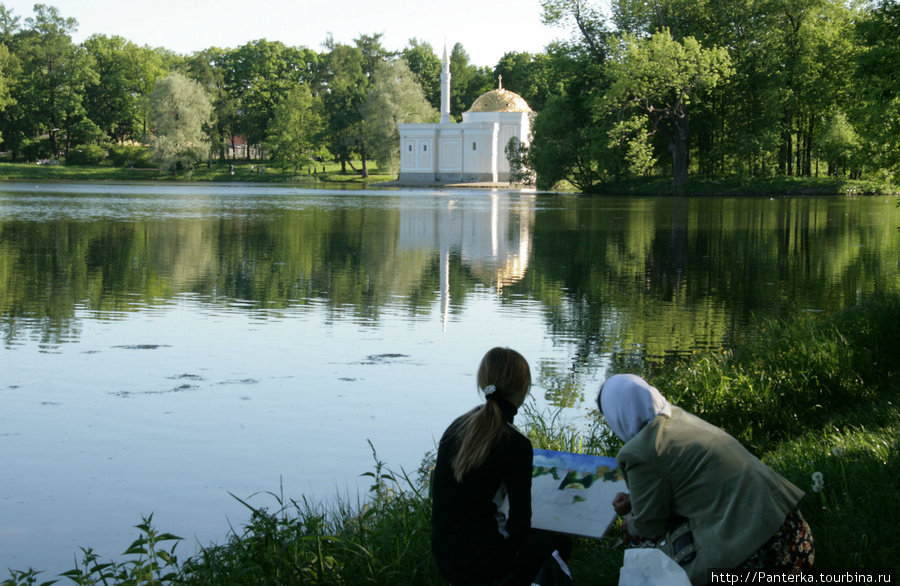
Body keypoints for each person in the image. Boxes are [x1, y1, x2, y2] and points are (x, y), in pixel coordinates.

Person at [597, 374, 814, 585]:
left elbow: (649, 525)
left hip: (762, 556)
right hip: (795, 537)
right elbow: (688, 480)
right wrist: (637, 500)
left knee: (640, 541)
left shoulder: (639, 452)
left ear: (617, 415)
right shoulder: (679, 417)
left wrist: (630, 522)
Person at [432, 347, 571, 585]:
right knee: (560, 542)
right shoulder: (515, 443)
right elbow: (520, 522)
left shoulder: (456, 427)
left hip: (444, 556)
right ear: (523, 387)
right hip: (484, 561)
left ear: (482, 381)